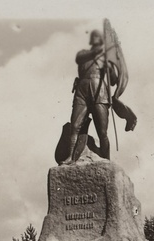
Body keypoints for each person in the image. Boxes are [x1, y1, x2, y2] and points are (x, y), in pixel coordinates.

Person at [61, 30, 114, 165]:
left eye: (97, 36)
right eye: (93, 36)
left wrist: (110, 69)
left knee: (102, 131)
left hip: (99, 91)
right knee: (75, 125)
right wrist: (97, 53)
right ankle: (71, 157)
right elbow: (79, 58)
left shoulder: (106, 58)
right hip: (82, 90)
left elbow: (113, 80)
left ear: (101, 39)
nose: (95, 38)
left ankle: (106, 158)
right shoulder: (83, 54)